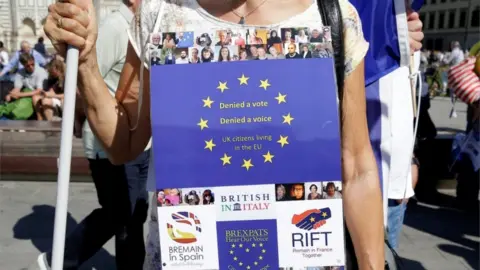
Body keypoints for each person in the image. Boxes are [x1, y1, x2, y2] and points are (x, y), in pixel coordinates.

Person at [45, 0, 385, 269]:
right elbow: (123, 145)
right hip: (189, 252)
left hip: (302, 251)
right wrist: (86, 62)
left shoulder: (333, 16)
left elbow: (356, 164)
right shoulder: (159, 13)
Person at [33, 1, 149, 269]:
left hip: (140, 140)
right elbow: (80, 82)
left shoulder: (140, 26)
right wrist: (77, 120)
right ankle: (60, 258)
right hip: (109, 141)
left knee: (134, 213)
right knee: (121, 214)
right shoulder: (115, 28)